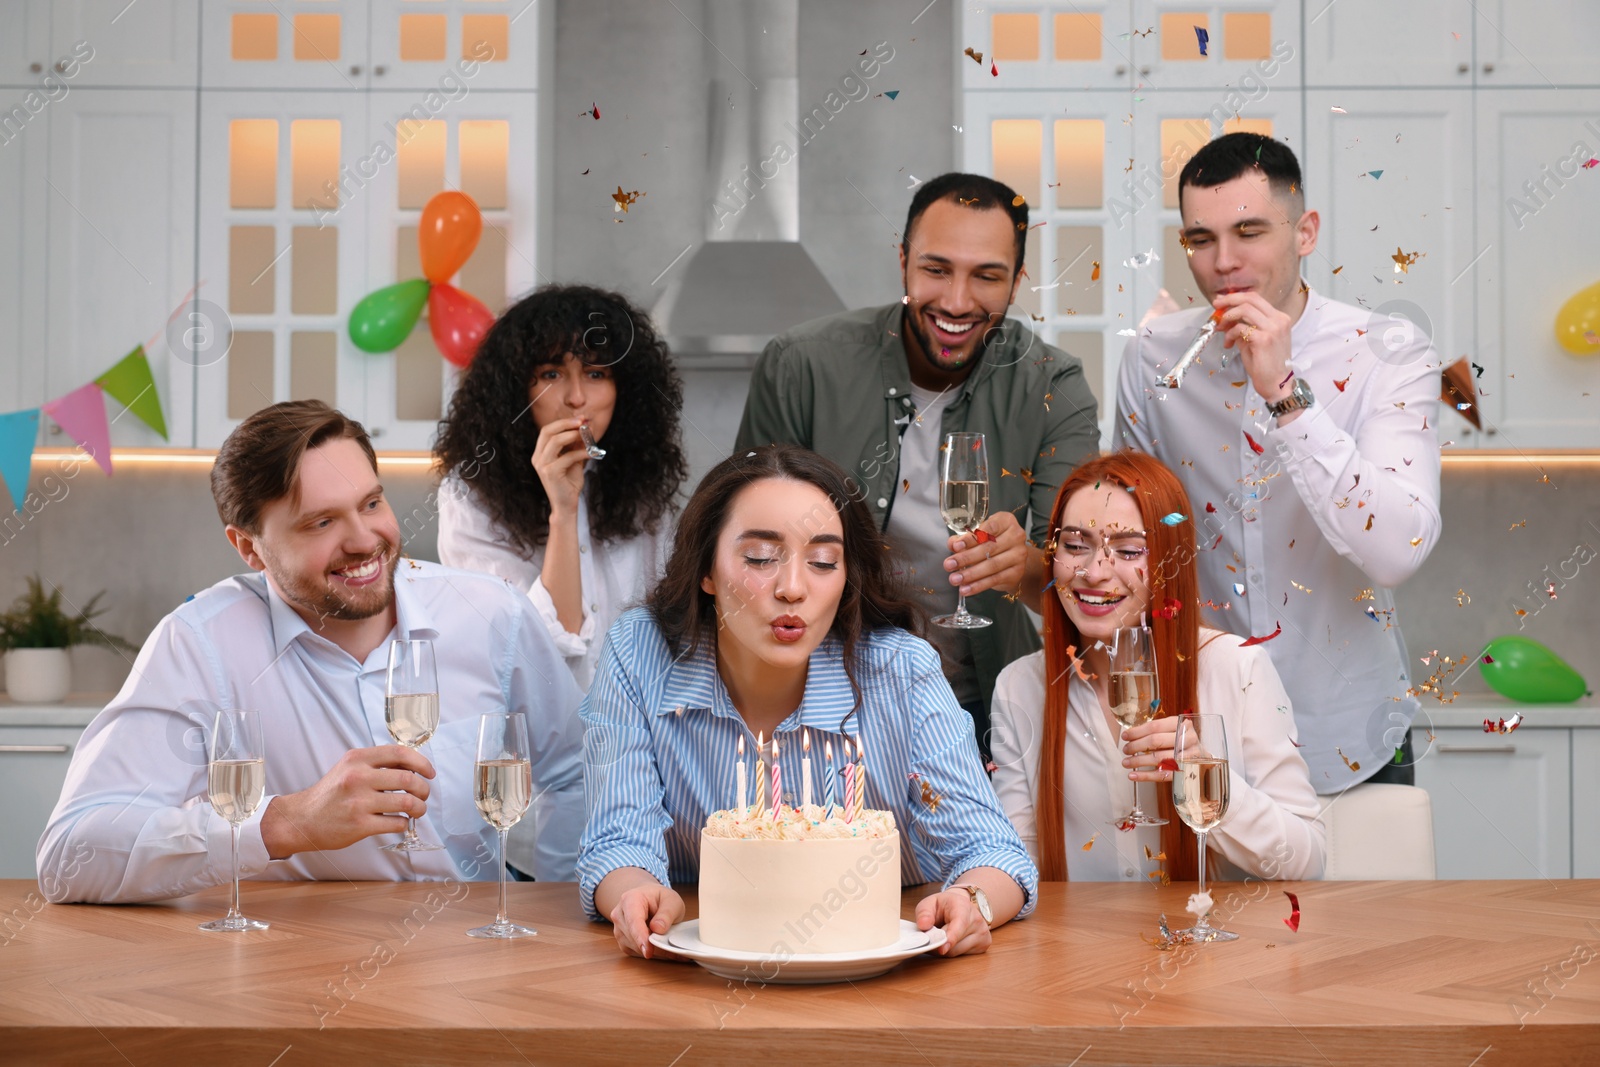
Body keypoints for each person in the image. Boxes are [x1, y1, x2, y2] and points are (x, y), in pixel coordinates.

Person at [37, 401, 585, 903]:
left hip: (475, 958)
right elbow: (69, 855)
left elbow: (575, 771)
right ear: (249, 547)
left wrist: (559, 911)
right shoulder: (200, 644)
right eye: (321, 522)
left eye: (371, 503)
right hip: (293, 968)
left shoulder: (491, 614)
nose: (364, 540)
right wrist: (283, 823)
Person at [577, 445, 1038, 960]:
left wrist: (972, 900)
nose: (792, 588)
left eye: (823, 562)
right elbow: (619, 837)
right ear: (706, 568)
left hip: (891, 975)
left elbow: (991, 849)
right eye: (759, 558)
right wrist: (635, 895)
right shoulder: (639, 653)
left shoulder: (902, 671)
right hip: (699, 972)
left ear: (845, 580)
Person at [1115, 132, 1441, 793]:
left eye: (1250, 231)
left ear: (1305, 231)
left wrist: (1284, 395)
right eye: (1200, 239)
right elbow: (1132, 544)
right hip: (1205, 735)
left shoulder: (1389, 352)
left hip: (1352, 735)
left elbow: (1398, 551)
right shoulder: (1153, 359)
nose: (1223, 262)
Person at [736, 174, 1101, 761]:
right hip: (822, 706)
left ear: (1016, 281)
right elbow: (745, 548)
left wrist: (1022, 566)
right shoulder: (801, 366)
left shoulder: (1053, 385)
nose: (957, 302)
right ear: (903, 261)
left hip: (988, 720)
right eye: (936, 269)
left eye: (987, 276)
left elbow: (1075, 581)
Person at [990, 451, 1325, 882]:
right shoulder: (1019, 688)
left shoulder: (1240, 669)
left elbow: (1309, 860)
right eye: (1075, 546)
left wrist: (1206, 783)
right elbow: (1019, 869)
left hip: (1218, 948)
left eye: (1129, 551)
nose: (1094, 572)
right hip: (1082, 949)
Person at [435, 283, 687, 693]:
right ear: (517, 390)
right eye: (551, 374)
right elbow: (541, 646)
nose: (576, 398)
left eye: (596, 373)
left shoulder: (644, 488)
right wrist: (563, 511)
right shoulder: (472, 496)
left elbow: (668, 631)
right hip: (528, 729)